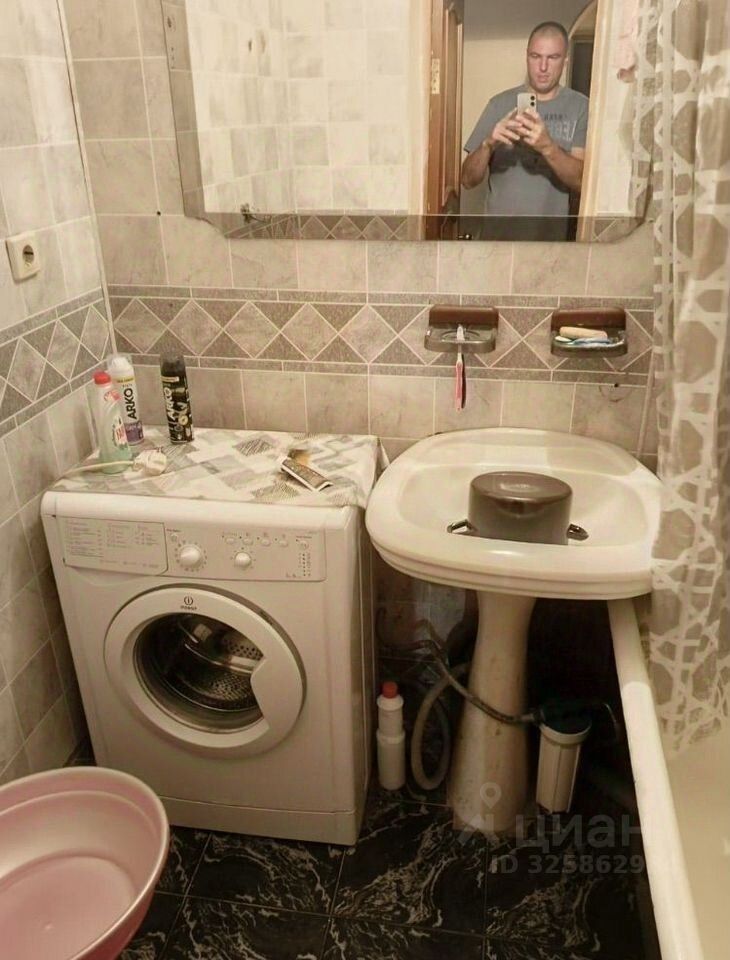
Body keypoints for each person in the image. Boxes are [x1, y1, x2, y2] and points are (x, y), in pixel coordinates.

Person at [461, 21, 589, 222]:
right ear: (527, 56)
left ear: (565, 61)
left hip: (551, 235)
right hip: (497, 235)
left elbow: (583, 182)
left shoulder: (580, 106)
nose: (543, 67)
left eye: (552, 57)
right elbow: (467, 180)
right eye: (536, 56)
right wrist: (488, 144)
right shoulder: (499, 104)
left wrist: (548, 147)